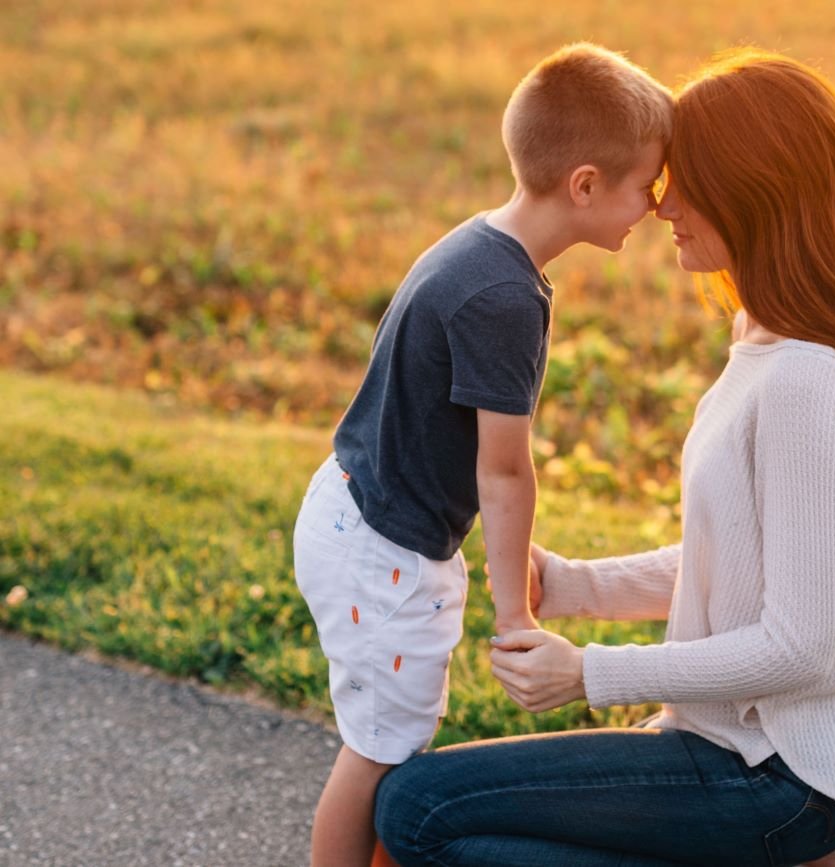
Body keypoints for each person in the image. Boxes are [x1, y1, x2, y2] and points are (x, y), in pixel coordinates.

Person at [373, 48, 835, 867]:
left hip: (778, 778)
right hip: (736, 750)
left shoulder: (804, 383)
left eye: (684, 179)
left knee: (420, 811)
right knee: (437, 815)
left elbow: (802, 645)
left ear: (754, 192)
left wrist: (590, 672)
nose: (663, 204)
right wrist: (571, 584)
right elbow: (735, 564)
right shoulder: (764, 341)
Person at [292, 44, 671, 867]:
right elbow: (503, 471)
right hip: (383, 548)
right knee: (381, 751)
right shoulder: (504, 297)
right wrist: (514, 618)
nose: (655, 204)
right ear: (585, 185)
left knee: (392, 739)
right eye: (649, 184)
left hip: (361, 513)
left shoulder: (483, 247)